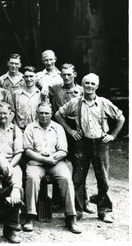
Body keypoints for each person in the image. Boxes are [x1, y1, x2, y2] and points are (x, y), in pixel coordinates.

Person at [55, 73, 125, 223]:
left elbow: (121, 117)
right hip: (82, 144)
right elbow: (58, 114)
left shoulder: (104, 103)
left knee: (103, 178)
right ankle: (78, 210)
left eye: (93, 84)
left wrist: (112, 136)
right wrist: (70, 130)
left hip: (100, 143)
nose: (89, 86)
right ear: (82, 84)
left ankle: (104, 210)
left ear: (97, 86)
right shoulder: (75, 103)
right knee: (78, 179)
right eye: (87, 83)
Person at [23, 102, 81, 234]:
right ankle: (30, 216)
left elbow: (63, 151)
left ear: (51, 114)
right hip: (36, 162)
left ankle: (71, 217)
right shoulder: (30, 128)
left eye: (46, 113)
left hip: (56, 162)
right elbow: (27, 150)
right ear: (37, 113)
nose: (43, 116)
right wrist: (43, 158)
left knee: (66, 177)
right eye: (41, 113)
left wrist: (52, 157)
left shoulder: (58, 128)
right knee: (32, 177)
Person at [50, 64, 94, 214]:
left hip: (78, 135)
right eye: (63, 74)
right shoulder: (55, 89)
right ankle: (58, 200)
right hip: (59, 132)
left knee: (79, 168)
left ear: (75, 74)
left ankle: (83, 201)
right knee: (56, 164)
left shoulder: (82, 91)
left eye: (69, 74)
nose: (66, 77)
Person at [0, 102, 23, 174]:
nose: (2, 116)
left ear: (10, 114)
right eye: (0, 113)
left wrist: (9, 167)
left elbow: (18, 154)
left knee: (17, 179)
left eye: (5, 113)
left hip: (12, 163)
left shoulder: (16, 130)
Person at [6, 66, 44, 131]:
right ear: (23, 78)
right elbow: (12, 112)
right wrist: (16, 129)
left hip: (37, 130)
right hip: (20, 130)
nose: (29, 79)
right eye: (26, 76)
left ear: (36, 77)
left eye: (31, 76)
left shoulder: (41, 94)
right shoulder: (15, 94)